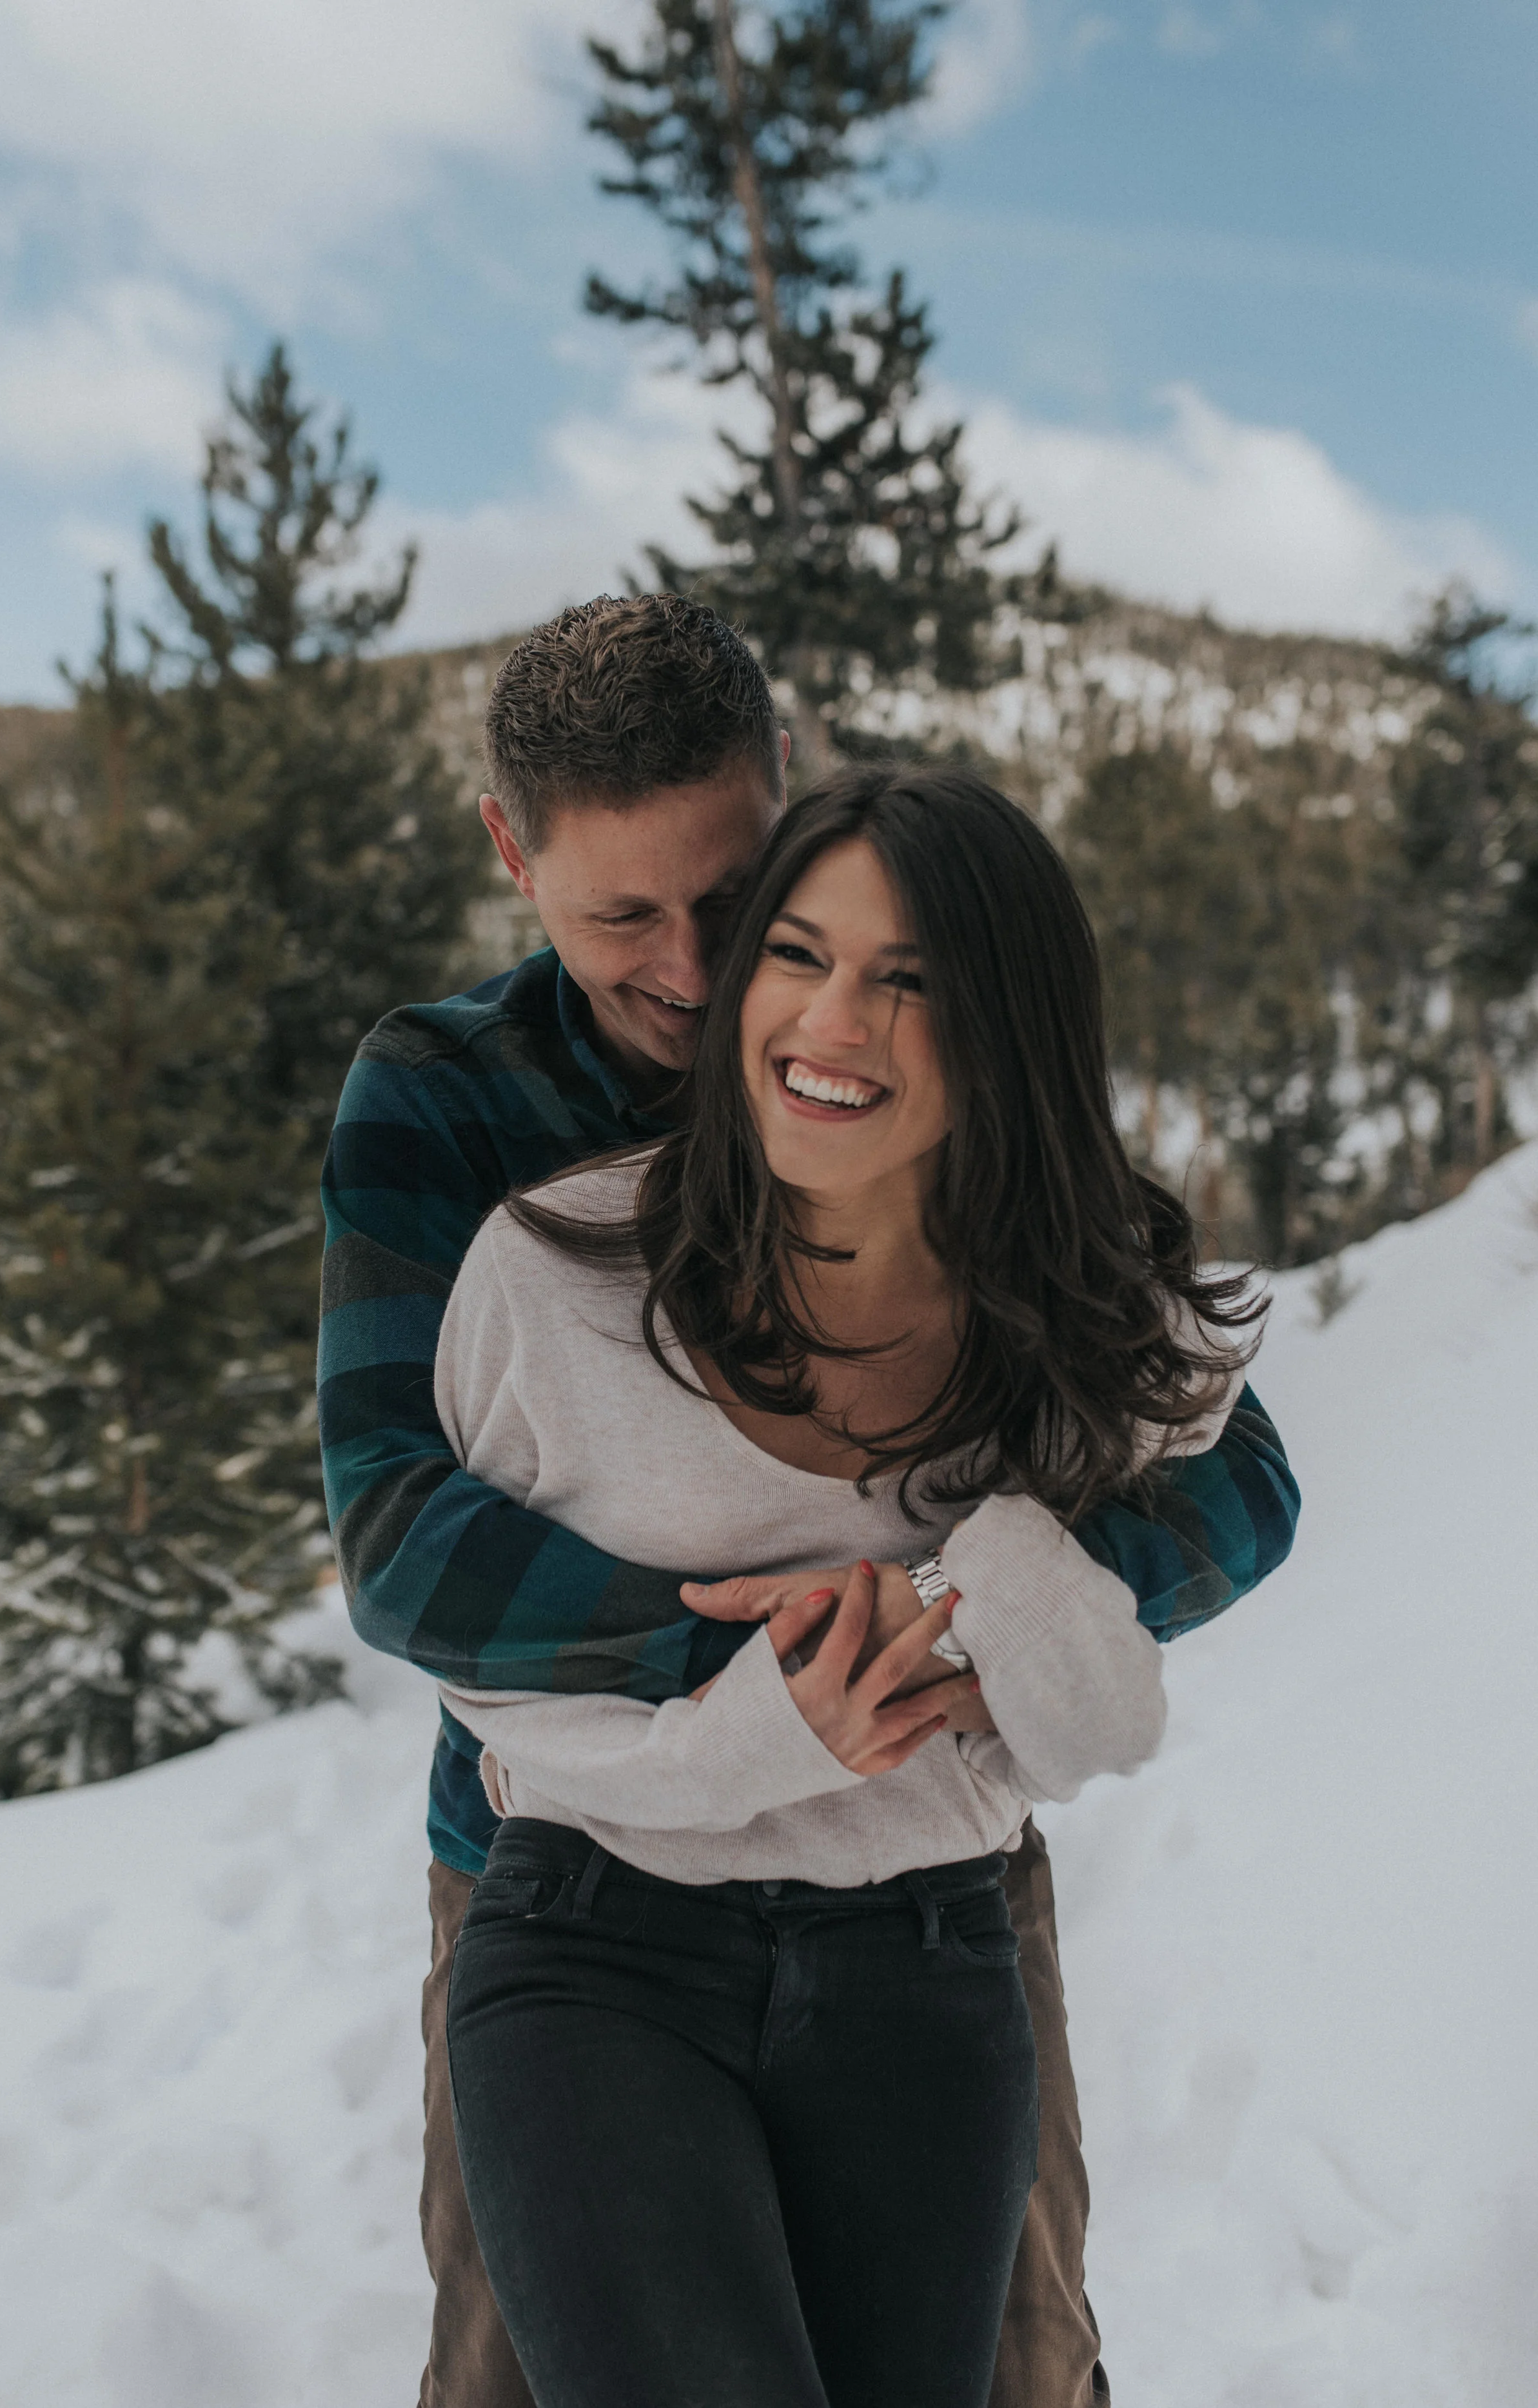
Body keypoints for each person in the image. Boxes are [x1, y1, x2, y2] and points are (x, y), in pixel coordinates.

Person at [315, 594, 1301, 2408]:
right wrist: (762, 1677)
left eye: (731, 893)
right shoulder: (451, 1101)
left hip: (914, 1872)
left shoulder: (936, 1058)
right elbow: (396, 1532)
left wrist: (999, 1615)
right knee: (518, 2361)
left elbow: (1229, 1468)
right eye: (624, 917)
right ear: (508, 852)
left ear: (782, 794)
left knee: (1017, 2352)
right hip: (576, 1866)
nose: (697, 969)